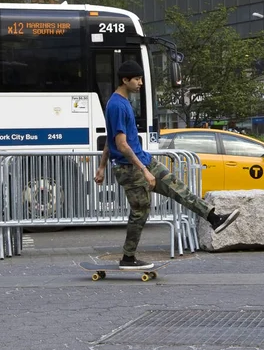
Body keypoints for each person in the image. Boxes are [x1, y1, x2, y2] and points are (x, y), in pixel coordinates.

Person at [94, 60, 240, 270]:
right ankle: (128, 257)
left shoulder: (122, 101)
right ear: (125, 80)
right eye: (137, 79)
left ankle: (213, 217)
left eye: (141, 79)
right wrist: (144, 171)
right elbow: (121, 143)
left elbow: (110, 138)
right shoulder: (117, 104)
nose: (141, 83)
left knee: (177, 187)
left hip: (143, 159)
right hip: (131, 168)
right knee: (140, 211)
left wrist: (101, 167)